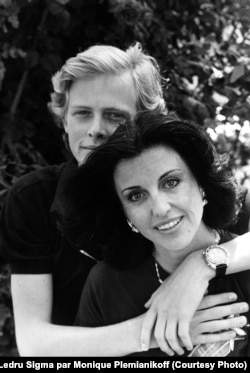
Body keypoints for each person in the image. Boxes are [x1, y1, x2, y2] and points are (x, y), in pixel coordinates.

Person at [0, 42, 249, 356]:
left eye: (114, 116)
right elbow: (34, 345)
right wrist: (160, 327)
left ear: (144, 121)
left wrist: (200, 267)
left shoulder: (191, 189)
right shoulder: (32, 199)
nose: (95, 130)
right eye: (82, 114)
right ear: (64, 121)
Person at [73, 111, 250, 356]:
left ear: (202, 185)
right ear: (124, 213)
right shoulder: (107, 285)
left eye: (171, 182)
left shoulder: (245, 268)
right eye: (136, 196)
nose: (160, 208)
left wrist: (198, 267)